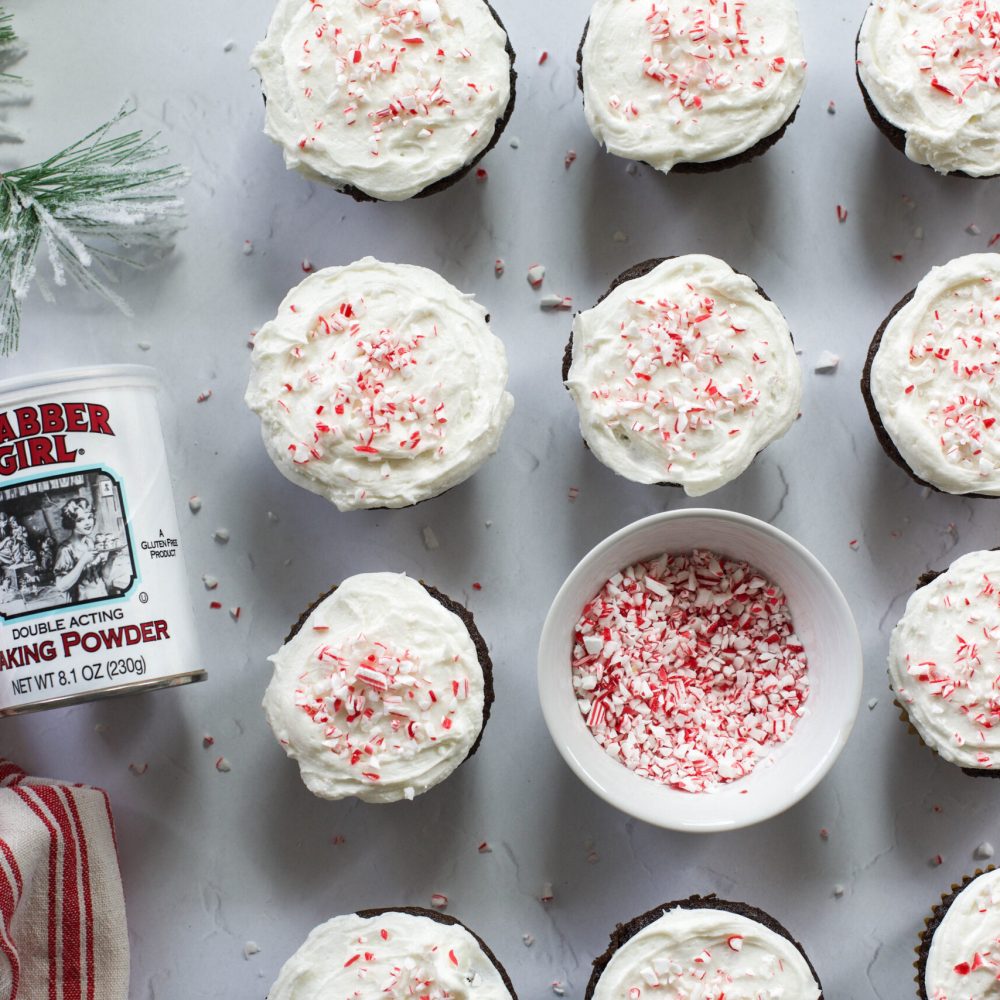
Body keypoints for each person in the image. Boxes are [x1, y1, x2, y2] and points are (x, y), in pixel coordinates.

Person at [54, 498, 112, 602]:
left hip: (101, 595)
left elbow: (102, 575)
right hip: (82, 601)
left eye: (89, 517)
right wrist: (83, 561)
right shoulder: (66, 549)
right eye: (80, 520)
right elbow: (60, 586)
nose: (87, 523)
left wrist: (112, 557)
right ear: (71, 523)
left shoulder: (90, 542)